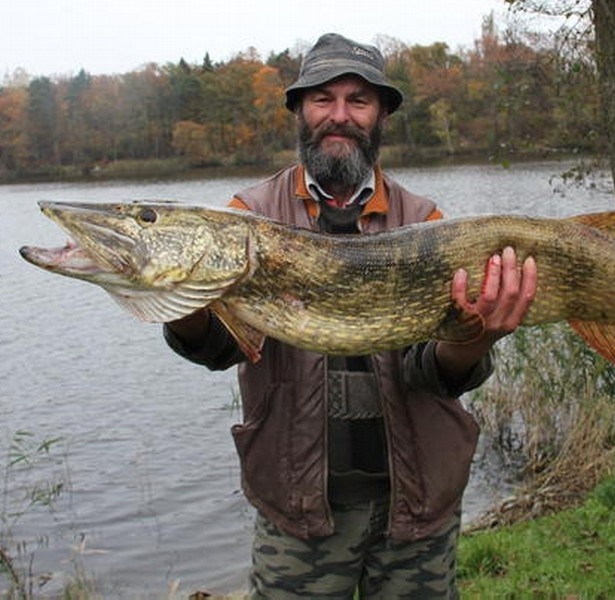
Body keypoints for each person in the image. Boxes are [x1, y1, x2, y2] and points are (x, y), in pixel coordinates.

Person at [164, 32, 537, 599]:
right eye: (322, 99)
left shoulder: (426, 220)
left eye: (358, 101)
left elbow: (434, 372)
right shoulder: (247, 218)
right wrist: (180, 298)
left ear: (381, 114)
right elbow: (221, 348)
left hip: (416, 506)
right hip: (301, 511)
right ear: (299, 110)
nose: (339, 116)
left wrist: (476, 338)